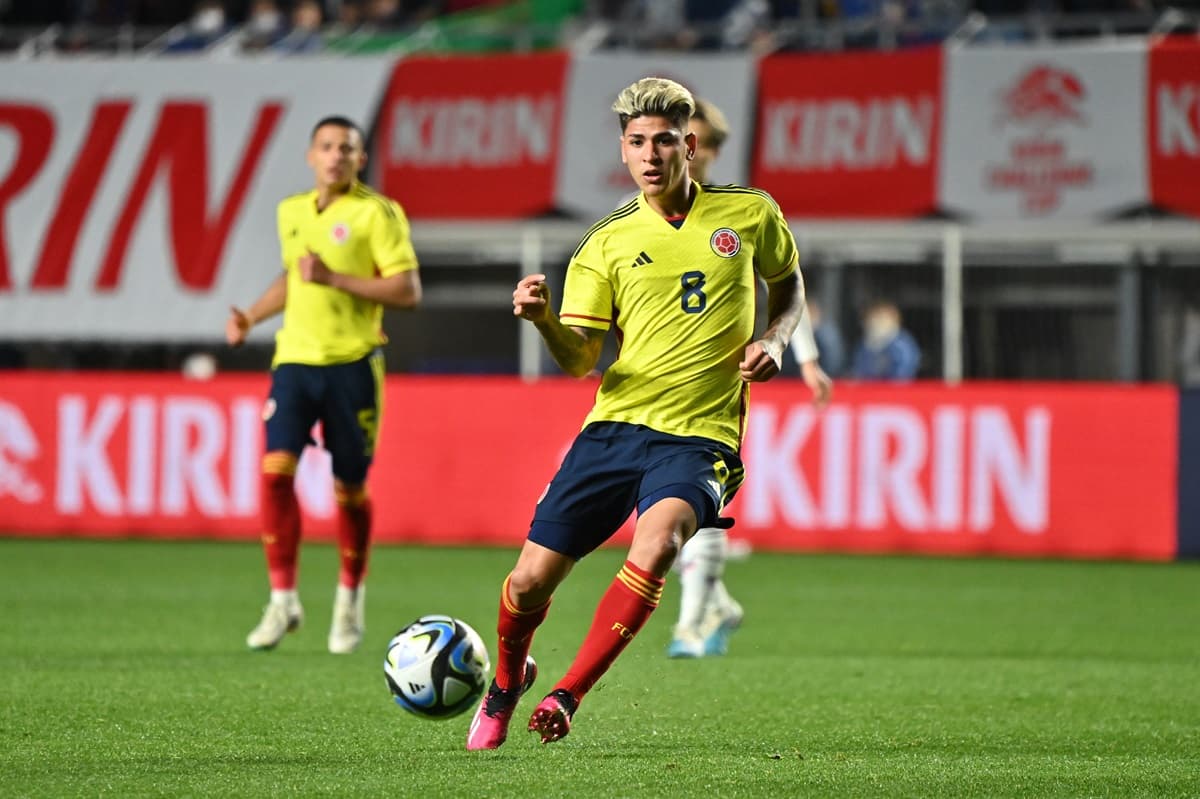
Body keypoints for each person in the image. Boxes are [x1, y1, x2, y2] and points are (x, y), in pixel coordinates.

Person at [466, 77, 808, 750]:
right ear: (623, 151)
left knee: (658, 544)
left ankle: (567, 694)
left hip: (701, 437)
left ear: (689, 144)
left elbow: (789, 285)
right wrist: (541, 321)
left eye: (662, 141)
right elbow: (577, 358)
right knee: (529, 580)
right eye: (636, 142)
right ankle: (507, 680)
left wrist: (776, 337)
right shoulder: (606, 242)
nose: (649, 155)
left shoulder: (750, 214)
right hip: (615, 428)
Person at [225, 116, 421, 654]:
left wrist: (334, 278)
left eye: (347, 149)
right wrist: (251, 317)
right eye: (327, 147)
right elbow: (294, 276)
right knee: (274, 472)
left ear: (361, 160)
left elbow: (406, 289)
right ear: (311, 155)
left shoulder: (377, 213)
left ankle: (348, 600)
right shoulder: (291, 210)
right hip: (294, 360)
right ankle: (283, 599)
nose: (336, 156)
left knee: (349, 491)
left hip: (352, 364)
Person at [667, 97, 833, 660]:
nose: (683, 150)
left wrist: (803, 357)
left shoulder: (739, 214)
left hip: (719, 383)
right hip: (655, 385)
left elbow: (785, 287)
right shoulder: (634, 212)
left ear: (708, 150)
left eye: (695, 141)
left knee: (700, 497)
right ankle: (716, 606)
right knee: (662, 517)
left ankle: (690, 622)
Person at [850, 299, 920, 380]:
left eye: (881, 318)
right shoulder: (864, 344)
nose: (876, 323)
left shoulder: (901, 346)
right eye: (872, 318)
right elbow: (858, 370)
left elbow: (902, 376)